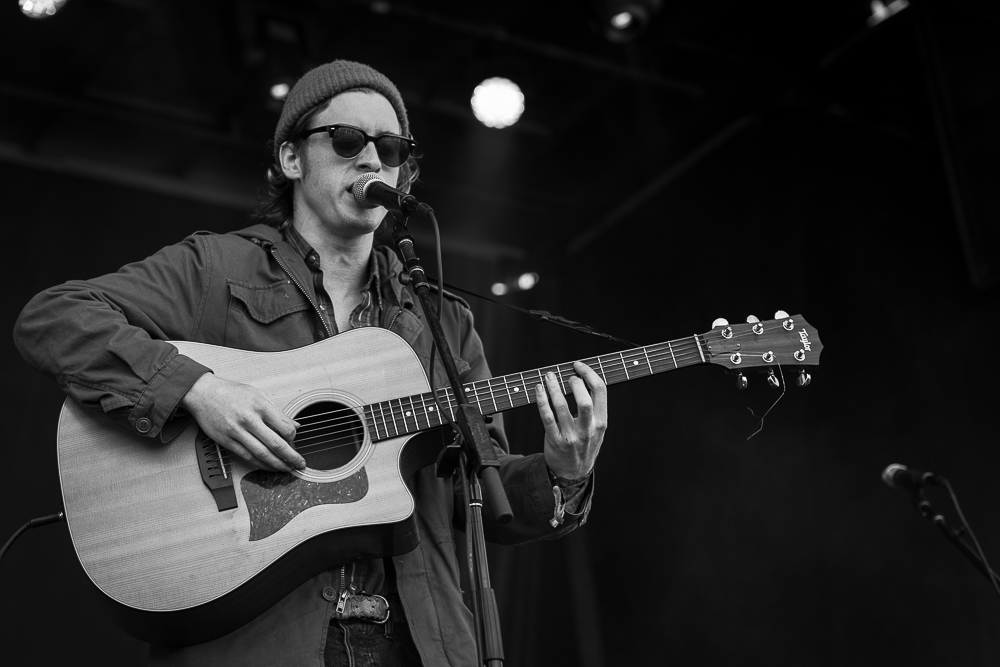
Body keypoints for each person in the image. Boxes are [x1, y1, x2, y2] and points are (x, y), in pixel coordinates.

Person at [13, 60, 607, 666]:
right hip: (257, 644)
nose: (372, 160)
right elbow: (54, 318)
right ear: (291, 159)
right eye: (348, 140)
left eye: (391, 148)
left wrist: (564, 473)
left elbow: (485, 500)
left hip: (415, 643)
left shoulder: (443, 321)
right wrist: (199, 390)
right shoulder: (218, 269)